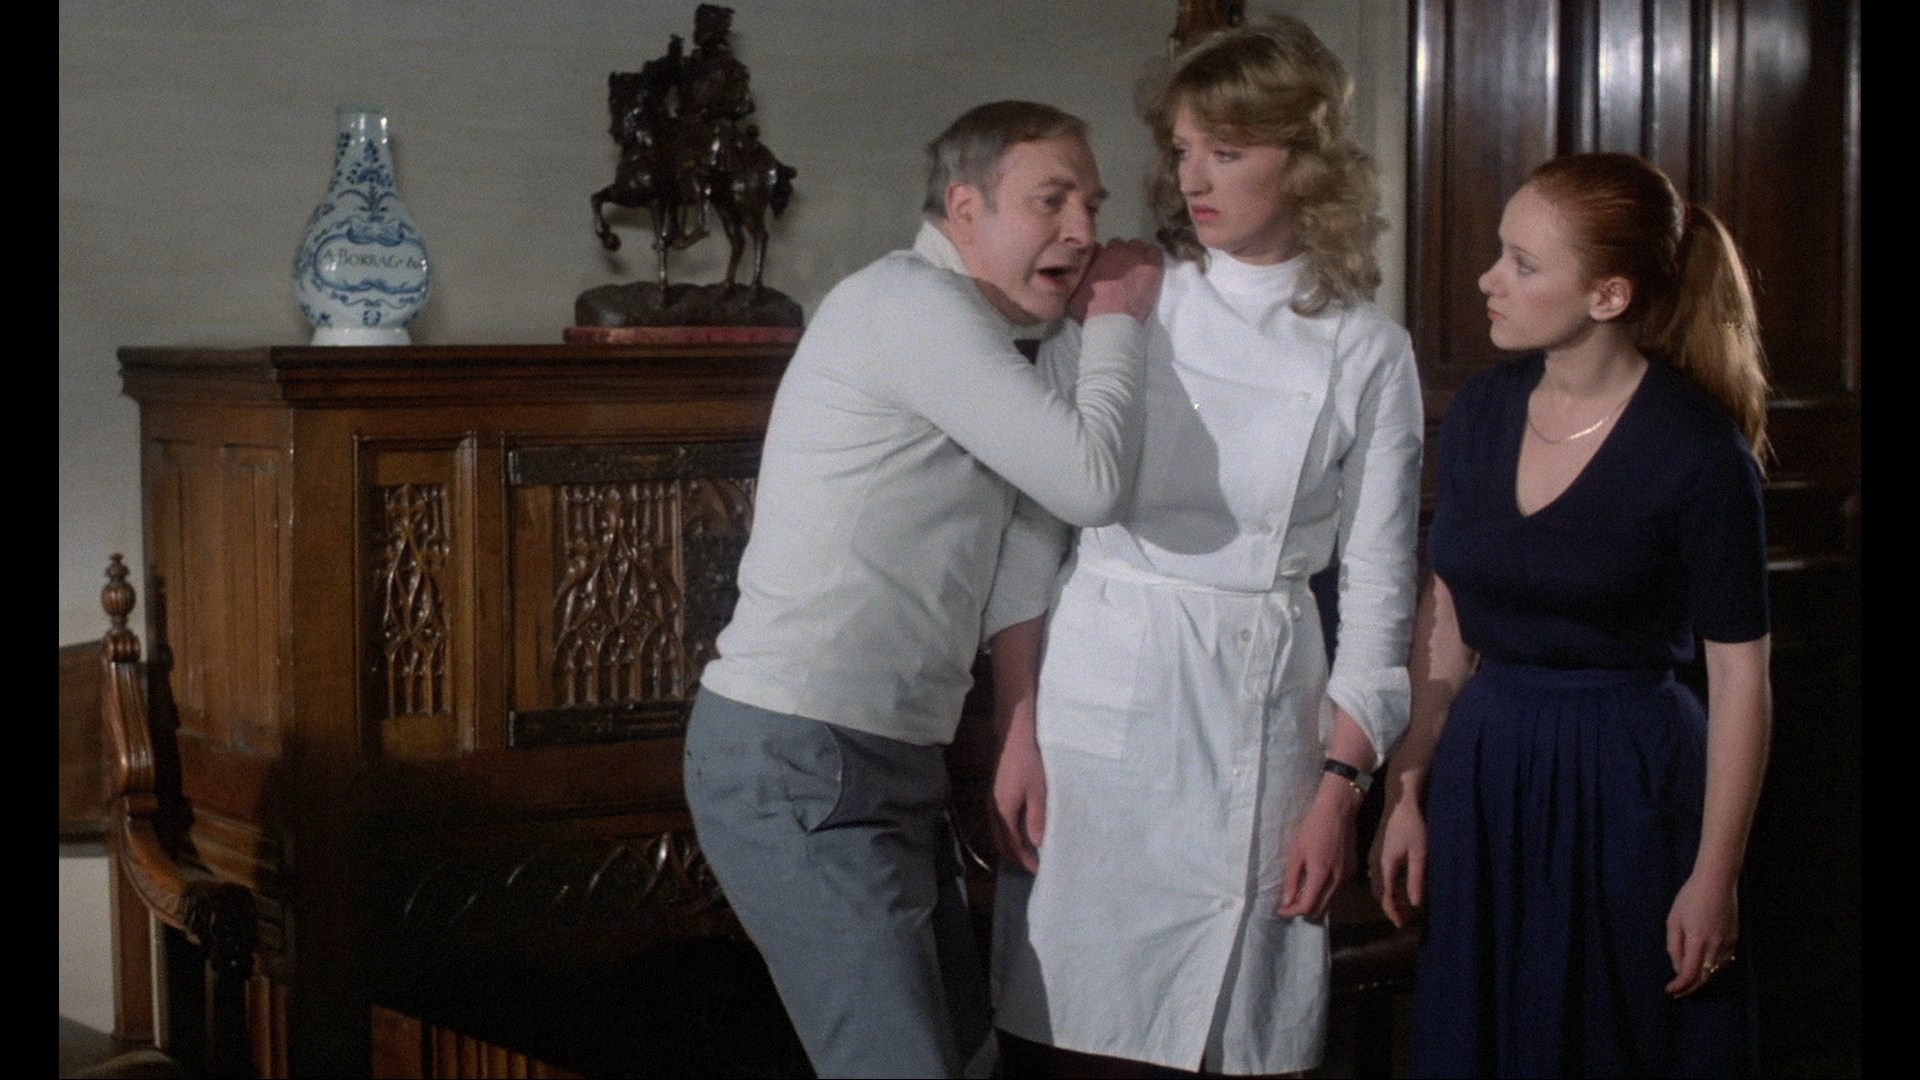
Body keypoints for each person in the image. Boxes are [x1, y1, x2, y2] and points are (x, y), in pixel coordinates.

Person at [682, 100, 1163, 1079]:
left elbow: (1032, 537)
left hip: (888, 757)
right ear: (964, 206)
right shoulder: (908, 304)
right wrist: (1117, 324)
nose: (1083, 229)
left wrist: (1018, 728)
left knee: (967, 1060)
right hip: (798, 752)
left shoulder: (987, 335)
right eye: (1051, 200)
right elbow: (1089, 485)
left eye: (1093, 203)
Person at [986, 19, 1423, 1076]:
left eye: (1226, 151)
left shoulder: (1368, 348)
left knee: (1236, 1041)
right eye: (1183, 150)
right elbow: (1033, 530)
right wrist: (1016, 726)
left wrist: (1341, 790)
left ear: (1303, 159)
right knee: (1077, 1028)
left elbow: (1380, 588)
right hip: (1099, 700)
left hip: (1263, 715)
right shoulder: (1125, 295)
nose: (1193, 179)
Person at [1370, 151, 1772, 1077]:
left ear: (1608, 295)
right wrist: (1408, 785)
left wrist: (1715, 875)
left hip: (1628, 781)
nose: (1488, 279)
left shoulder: (1698, 451)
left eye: (1523, 263)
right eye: (1498, 253)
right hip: (1488, 768)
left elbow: (1742, 679)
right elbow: (1450, 612)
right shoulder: (1482, 411)